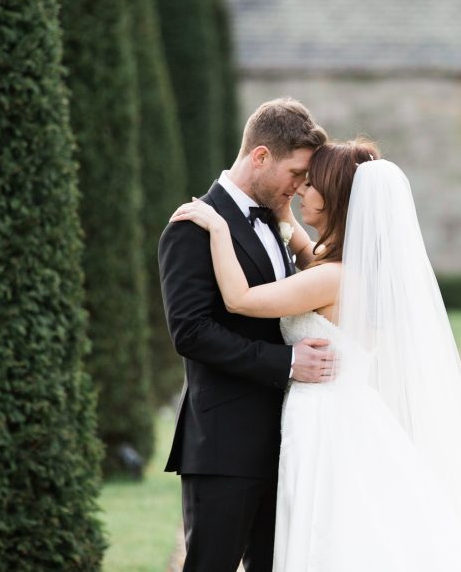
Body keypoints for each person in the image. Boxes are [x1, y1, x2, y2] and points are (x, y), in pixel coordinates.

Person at [170, 137, 461, 571]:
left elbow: (239, 300)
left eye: (310, 185)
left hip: (323, 421)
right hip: (345, 413)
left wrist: (216, 227)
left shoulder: (331, 279)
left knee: (326, 538)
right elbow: (313, 261)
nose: (300, 191)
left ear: (335, 200)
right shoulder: (355, 272)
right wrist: (288, 223)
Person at [157, 97, 333, 572]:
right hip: (225, 443)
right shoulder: (192, 227)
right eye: (296, 173)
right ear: (260, 157)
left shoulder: (276, 222)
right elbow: (191, 332)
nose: (299, 189)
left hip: (288, 438)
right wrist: (289, 363)